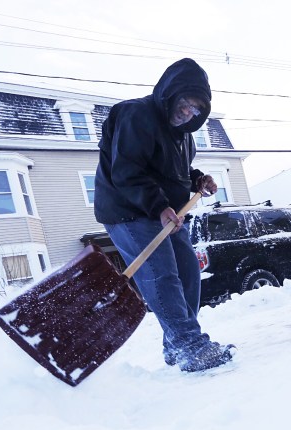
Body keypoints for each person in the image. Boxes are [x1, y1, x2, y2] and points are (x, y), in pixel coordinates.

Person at [94, 58, 234, 372]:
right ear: (169, 93)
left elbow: (177, 172)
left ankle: (176, 343)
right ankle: (189, 346)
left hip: (167, 213)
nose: (188, 113)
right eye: (185, 103)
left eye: (196, 110)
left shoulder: (184, 137)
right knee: (163, 274)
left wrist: (198, 180)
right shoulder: (136, 115)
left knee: (188, 272)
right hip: (128, 211)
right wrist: (159, 206)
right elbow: (127, 171)